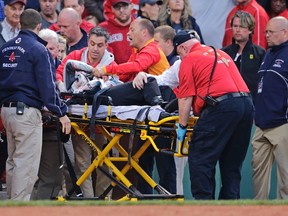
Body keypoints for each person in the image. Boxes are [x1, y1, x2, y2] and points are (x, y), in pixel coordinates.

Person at [174, 30, 254, 199]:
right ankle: (229, 208)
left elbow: (185, 97)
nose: (179, 58)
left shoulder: (190, 58)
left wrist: (181, 126)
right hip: (246, 105)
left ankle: (205, 207)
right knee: (232, 165)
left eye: (179, 53)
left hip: (221, 107)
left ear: (183, 48)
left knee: (200, 158)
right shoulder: (220, 52)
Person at [0, 8, 71, 201]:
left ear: (21, 24)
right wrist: (61, 112)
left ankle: (10, 208)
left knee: (13, 160)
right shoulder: (39, 49)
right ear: (39, 26)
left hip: (6, 111)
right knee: (26, 163)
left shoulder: (5, 47)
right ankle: (19, 209)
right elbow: (48, 87)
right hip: (26, 112)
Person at [56, 26, 117, 198]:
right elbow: (59, 73)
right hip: (79, 118)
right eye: (92, 44)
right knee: (83, 163)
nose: (95, 49)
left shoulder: (111, 64)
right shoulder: (75, 56)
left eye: (100, 45)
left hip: (104, 120)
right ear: (88, 42)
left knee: (105, 164)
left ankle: (105, 204)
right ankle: (89, 203)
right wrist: (63, 88)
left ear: (106, 46)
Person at [252, 16, 288, 200]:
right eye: (266, 31)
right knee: (258, 173)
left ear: (285, 32)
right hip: (261, 124)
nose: (266, 35)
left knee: (286, 177)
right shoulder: (267, 53)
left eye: (271, 32)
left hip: (282, 124)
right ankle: (260, 211)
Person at [31, 28, 64, 200]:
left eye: (55, 49)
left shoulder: (61, 66)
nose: (52, 53)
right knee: (47, 176)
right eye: (49, 49)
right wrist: (61, 111)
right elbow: (48, 96)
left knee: (53, 175)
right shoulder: (38, 63)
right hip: (41, 123)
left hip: (49, 125)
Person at [93, 18, 169, 82]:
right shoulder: (137, 50)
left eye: (132, 30)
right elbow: (126, 75)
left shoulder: (152, 49)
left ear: (144, 32)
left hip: (165, 95)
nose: (128, 33)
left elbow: (136, 66)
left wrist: (106, 69)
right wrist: (109, 77)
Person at [222, 11, 266, 103]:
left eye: (241, 27)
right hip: (228, 104)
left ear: (250, 30)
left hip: (251, 104)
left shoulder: (260, 53)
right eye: (235, 26)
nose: (237, 30)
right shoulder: (224, 53)